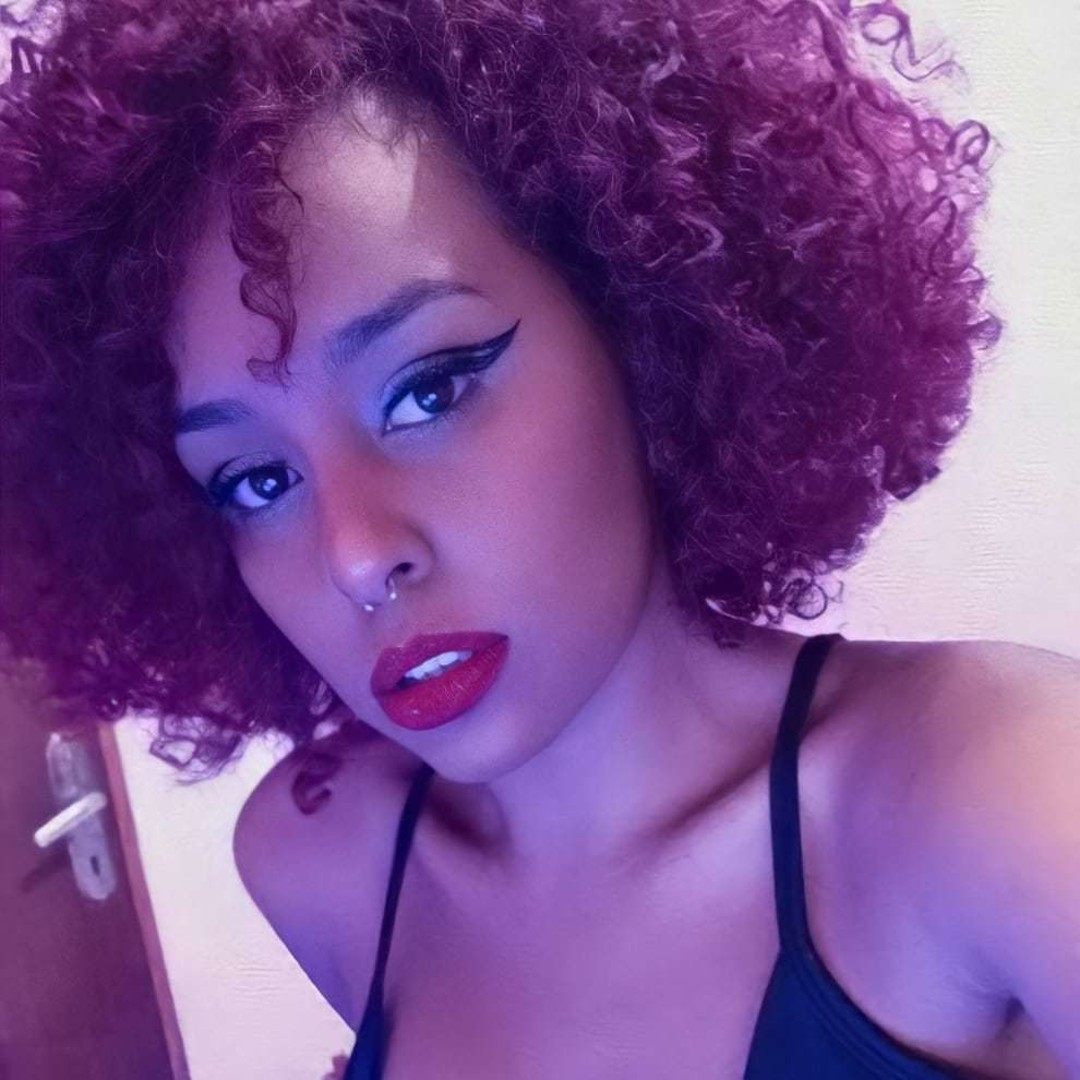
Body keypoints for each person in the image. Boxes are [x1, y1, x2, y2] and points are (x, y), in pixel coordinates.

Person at [1, 0, 1077, 1076]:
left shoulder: (995, 792)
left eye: (428, 391)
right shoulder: (320, 859)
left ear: (642, 316)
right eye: (258, 480)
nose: (355, 556)